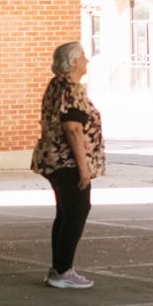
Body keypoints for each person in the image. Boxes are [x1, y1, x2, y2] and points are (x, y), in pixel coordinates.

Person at [30, 41, 105, 289]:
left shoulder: (57, 85)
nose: (87, 60)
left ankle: (59, 268)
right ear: (73, 62)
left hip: (53, 159)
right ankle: (63, 271)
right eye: (83, 56)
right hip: (67, 162)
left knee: (65, 213)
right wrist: (84, 169)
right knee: (76, 212)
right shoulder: (71, 89)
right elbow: (73, 129)